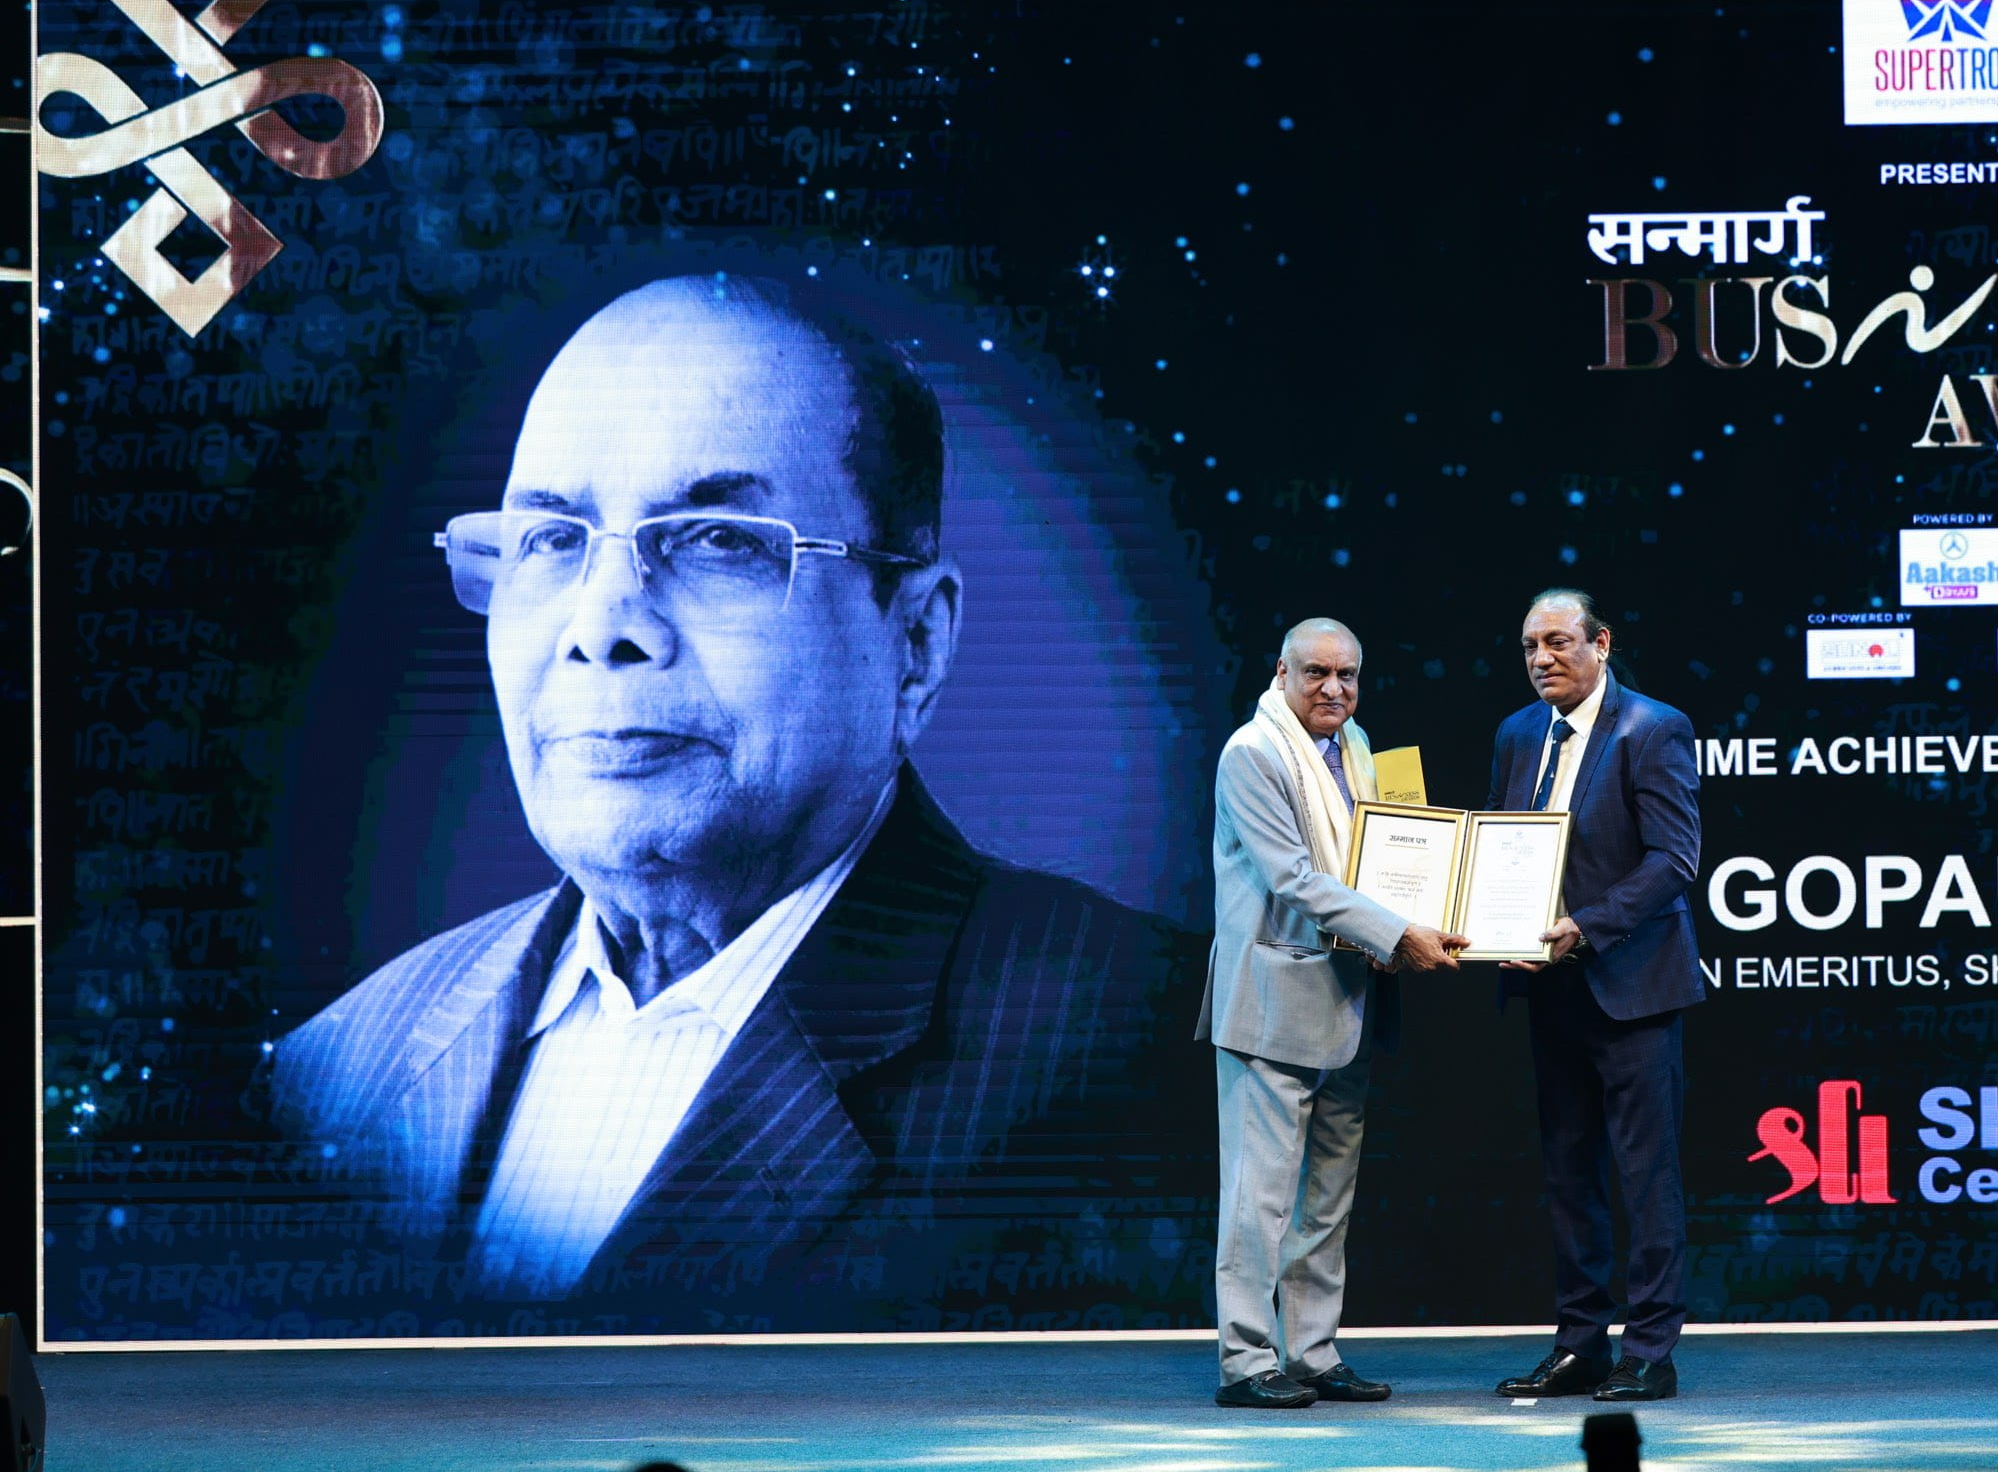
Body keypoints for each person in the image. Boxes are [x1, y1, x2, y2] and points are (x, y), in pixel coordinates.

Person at [269, 275, 1197, 1324]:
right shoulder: (329, 1072)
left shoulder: (1157, 1058)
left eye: (718, 539)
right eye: (550, 541)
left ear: (914, 644)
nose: (601, 626)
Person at [1201, 618, 1469, 1407]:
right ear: (1280, 671)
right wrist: (1398, 932)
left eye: (1346, 674)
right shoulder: (1252, 753)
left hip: (1349, 996)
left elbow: (1385, 859)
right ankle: (1246, 1360)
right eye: (1315, 671)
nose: (1333, 687)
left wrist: (1427, 911)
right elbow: (1292, 878)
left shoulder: (1355, 748)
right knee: (1257, 1197)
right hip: (1273, 1002)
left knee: (1325, 1199)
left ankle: (1312, 1351)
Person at [1487, 588, 1703, 1402]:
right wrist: (1495, 928)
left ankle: (1649, 1350)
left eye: (1557, 641)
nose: (1541, 658)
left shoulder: (1652, 727)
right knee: (1568, 1174)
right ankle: (1579, 1343)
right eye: (1529, 645)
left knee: (1646, 1175)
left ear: (1600, 642)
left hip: (1632, 985)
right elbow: (1503, 849)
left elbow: (1673, 859)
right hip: (1549, 987)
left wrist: (1585, 925)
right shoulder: (1517, 731)